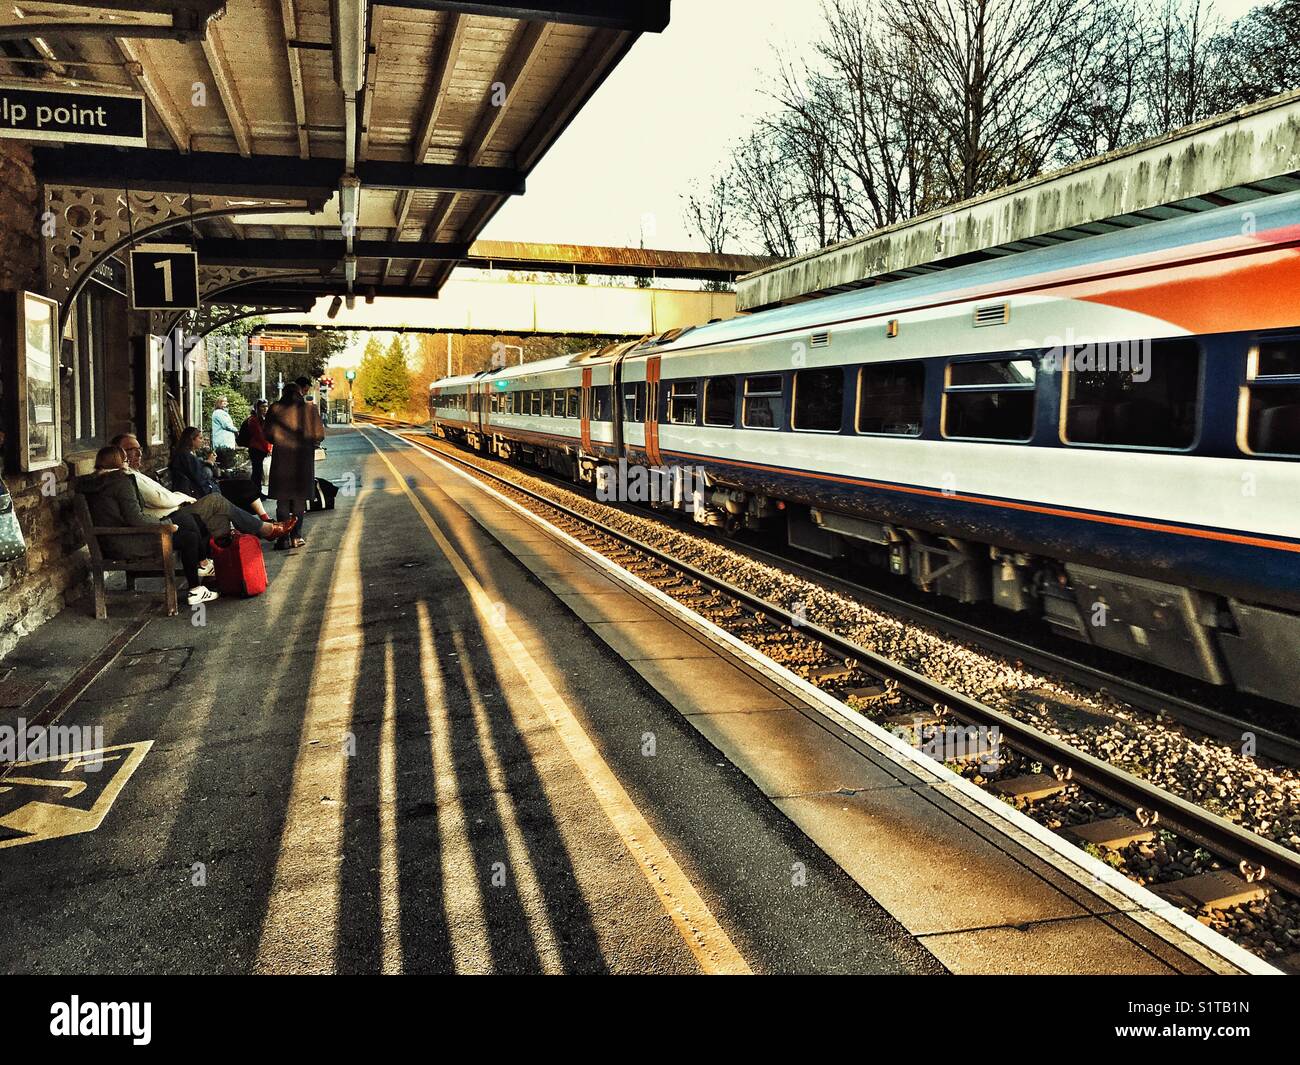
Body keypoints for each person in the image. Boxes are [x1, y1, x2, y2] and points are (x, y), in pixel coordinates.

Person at [79, 446, 218, 606]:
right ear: (119, 463)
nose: (128, 463)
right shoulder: (120, 482)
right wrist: (166, 523)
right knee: (189, 537)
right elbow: (136, 519)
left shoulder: (93, 483)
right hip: (128, 542)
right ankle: (196, 587)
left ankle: (201, 565)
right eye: (125, 460)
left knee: (186, 520)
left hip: (111, 541)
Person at [112, 433, 294, 545]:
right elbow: (160, 498)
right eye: (130, 449)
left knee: (220, 513)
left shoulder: (135, 473)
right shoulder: (128, 476)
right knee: (216, 500)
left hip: (174, 510)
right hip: (168, 517)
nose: (138, 453)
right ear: (117, 453)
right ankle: (265, 529)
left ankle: (221, 564)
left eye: (139, 448)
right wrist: (185, 499)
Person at [170, 427, 279, 521]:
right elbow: (201, 478)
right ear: (191, 440)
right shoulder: (186, 456)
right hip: (205, 492)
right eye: (200, 438)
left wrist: (208, 463)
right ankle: (262, 521)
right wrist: (210, 464)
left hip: (209, 487)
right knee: (245, 489)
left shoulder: (189, 455)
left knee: (247, 485)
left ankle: (264, 519)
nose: (202, 441)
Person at [264, 382, 323, 550]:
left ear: (283, 392)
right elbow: (319, 434)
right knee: (299, 501)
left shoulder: (275, 408)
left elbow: (267, 434)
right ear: (299, 393)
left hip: (281, 459)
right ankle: (296, 537)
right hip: (302, 460)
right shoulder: (310, 409)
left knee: (282, 501)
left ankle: (282, 539)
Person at [240, 400, 272, 494]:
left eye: (266, 406)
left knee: (258, 472)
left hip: (260, 448)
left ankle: (258, 492)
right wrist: (268, 448)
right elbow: (260, 435)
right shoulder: (253, 420)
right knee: (257, 472)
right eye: (262, 406)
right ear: (257, 408)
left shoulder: (262, 418)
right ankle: (256, 493)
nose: (265, 409)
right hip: (256, 448)